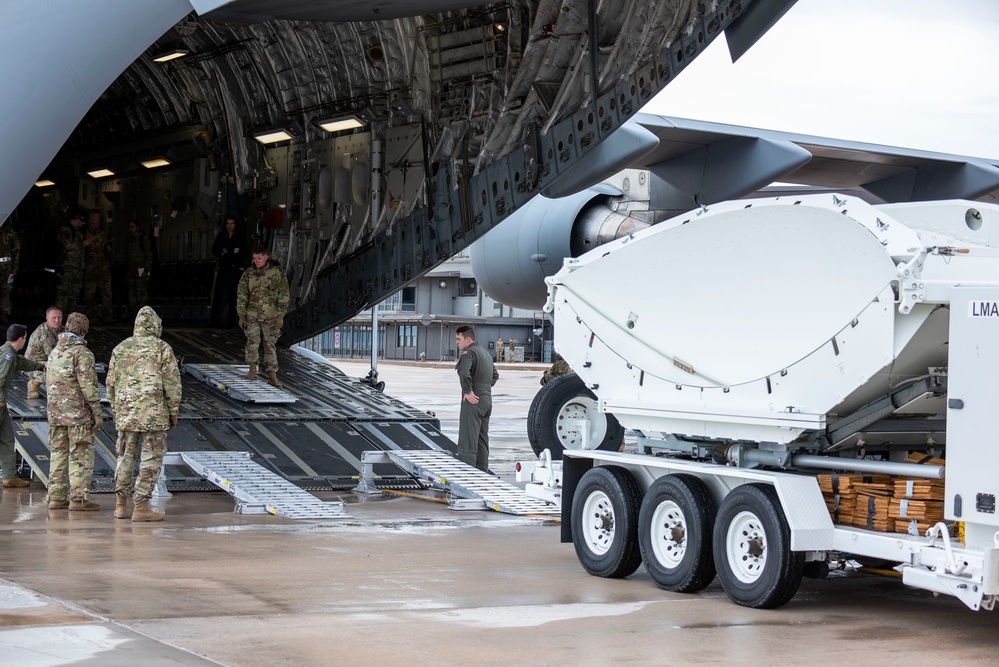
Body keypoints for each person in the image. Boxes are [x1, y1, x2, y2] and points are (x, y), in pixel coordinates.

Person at [107, 306, 181, 522]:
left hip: (126, 414)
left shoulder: (120, 348)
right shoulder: (162, 348)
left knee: (125, 458)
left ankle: (120, 505)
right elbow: (172, 383)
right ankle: (141, 507)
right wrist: (173, 410)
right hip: (153, 415)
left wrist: (116, 409)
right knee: (150, 459)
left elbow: (110, 383)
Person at [45, 313, 101, 511]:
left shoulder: (54, 352)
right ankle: (78, 499)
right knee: (80, 454)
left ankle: (56, 497)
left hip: (55, 414)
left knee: (58, 454)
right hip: (77, 415)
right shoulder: (82, 353)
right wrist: (97, 411)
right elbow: (89, 386)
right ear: (84, 331)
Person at [237, 244, 290, 388]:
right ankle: (252, 369)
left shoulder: (276, 273)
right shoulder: (248, 274)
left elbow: (284, 295)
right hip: (252, 314)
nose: (256, 261)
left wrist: (280, 315)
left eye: (259, 258)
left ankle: (272, 375)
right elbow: (242, 295)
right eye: (254, 258)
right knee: (252, 342)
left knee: (270, 345)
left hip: (270, 315)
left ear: (266, 257)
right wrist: (241, 315)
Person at [0, 324, 45, 488]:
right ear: (20, 340)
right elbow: (1, 378)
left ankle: (9, 476)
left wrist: (40, 366)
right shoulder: (6, 355)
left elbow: (22, 363)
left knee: (7, 439)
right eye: (25, 338)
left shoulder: (10, 354)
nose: (25, 341)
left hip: (2, 405)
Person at [454, 325, 498, 472]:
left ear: (468, 339)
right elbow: (495, 376)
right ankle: (482, 472)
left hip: (473, 401)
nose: (457, 342)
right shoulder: (485, 354)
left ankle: (467, 475)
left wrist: (468, 391)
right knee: (481, 440)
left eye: (458, 339)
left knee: (468, 440)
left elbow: (464, 372)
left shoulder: (469, 353)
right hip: (486, 400)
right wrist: (484, 388)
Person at [210, 215, 244, 327]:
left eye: (232, 224)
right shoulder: (221, 236)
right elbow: (214, 250)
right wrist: (222, 252)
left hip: (235, 269)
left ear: (235, 225)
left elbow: (243, 252)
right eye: (228, 224)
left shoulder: (239, 237)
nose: (230, 226)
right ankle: (214, 321)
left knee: (233, 296)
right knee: (218, 295)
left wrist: (228, 253)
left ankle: (231, 322)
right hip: (224, 268)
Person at [24, 305, 62, 399]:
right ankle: (33, 383)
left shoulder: (60, 329)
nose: (57, 320)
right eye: (54, 318)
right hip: (32, 365)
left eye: (59, 317)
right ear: (47, 318)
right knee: (57, 371)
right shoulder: (44, 334)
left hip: (45, 361)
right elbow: (54, 357)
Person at [83, 209, 114, 323]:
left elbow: (107, 247)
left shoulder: (102, 234)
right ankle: (91, 316)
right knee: (90, 293)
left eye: (99, 220)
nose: (98, 222)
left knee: (106, 293)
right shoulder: (83, 233)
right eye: (96, 219)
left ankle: (107, 316)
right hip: (90, 269)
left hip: (103, 268)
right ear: (90, 220)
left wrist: (108, 249)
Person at [55, 209, 87, 313]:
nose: (83, 224)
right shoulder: (66, 229)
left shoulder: (77, 231)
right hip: (68, 266)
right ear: (77, 219)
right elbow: (68, 245)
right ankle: (59, 318)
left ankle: (69, 317)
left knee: (74, 294)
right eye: (82, 221)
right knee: (63, 293)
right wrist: (83, 243)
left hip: (78, 267)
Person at [126, 219, 152, 316]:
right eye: (130, 227)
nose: (131, 229)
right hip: (132, 272)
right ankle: (134, 316)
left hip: (141, 271)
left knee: (141, 295)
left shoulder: (143, 239)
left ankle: (144, 317)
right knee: (132, 296)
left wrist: (147, 269)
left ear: (137, 228)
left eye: (133, 227)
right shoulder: (130, 241)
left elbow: (148, 255)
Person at [0, 221, 21, 326]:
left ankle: (4, 315)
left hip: (7, 268)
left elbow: (16, 251)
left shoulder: (11, 233)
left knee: (6, 291)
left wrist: (15, 268)